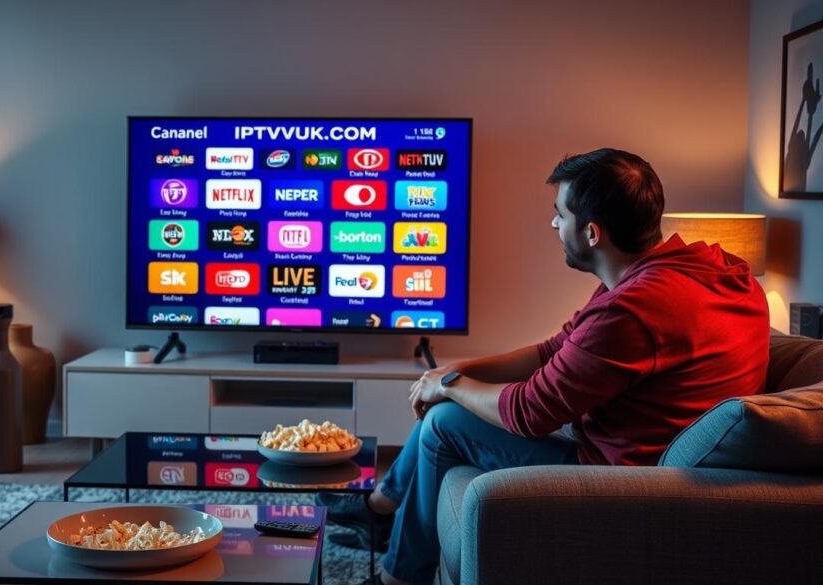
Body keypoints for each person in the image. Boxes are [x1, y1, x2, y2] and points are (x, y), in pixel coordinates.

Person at [320, 148, 771, 585]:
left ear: (592, 233)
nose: (553, 223)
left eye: (560, 213)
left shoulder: (635, 309)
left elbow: (530, 412)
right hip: (632, 442)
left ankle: (396, 573)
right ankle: (381, 508)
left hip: (624, 475)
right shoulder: (703, 269)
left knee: (443, 421)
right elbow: (554, 348)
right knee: (446, 399)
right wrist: (449, 372)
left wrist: (452, 384)